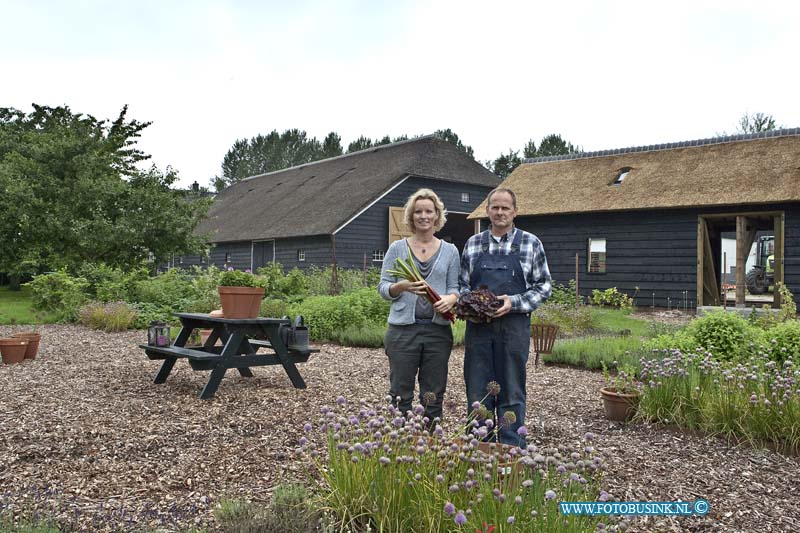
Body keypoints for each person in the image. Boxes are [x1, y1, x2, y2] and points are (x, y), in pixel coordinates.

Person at [459, 187, 552, 446]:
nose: (500, 212)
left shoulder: (531, 243)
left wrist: (514, 302)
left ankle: (511, 450)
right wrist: (474, 305)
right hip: (479, 330)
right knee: (478, 390)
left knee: (511, 390)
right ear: (487, 210)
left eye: (505, 208)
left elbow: (544, 286)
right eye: (495, 207)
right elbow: (462, 286)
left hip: (513, 329)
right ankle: (480, 447)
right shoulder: (474, 244)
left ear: (515, 212)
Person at [378, 188, 460, 424]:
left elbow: (457, 288)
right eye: (418, 212)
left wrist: (451, 299)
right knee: (400, 392)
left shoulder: (450, 251)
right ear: (411, 216)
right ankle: (398, 444)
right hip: (403, 331)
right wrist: (400, 286)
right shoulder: (397, 249)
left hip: (437, 331)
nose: (423, 216)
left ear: (437, 215)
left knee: (433, 393)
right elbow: (383, 288)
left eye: (429, 211)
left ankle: (430, 445)